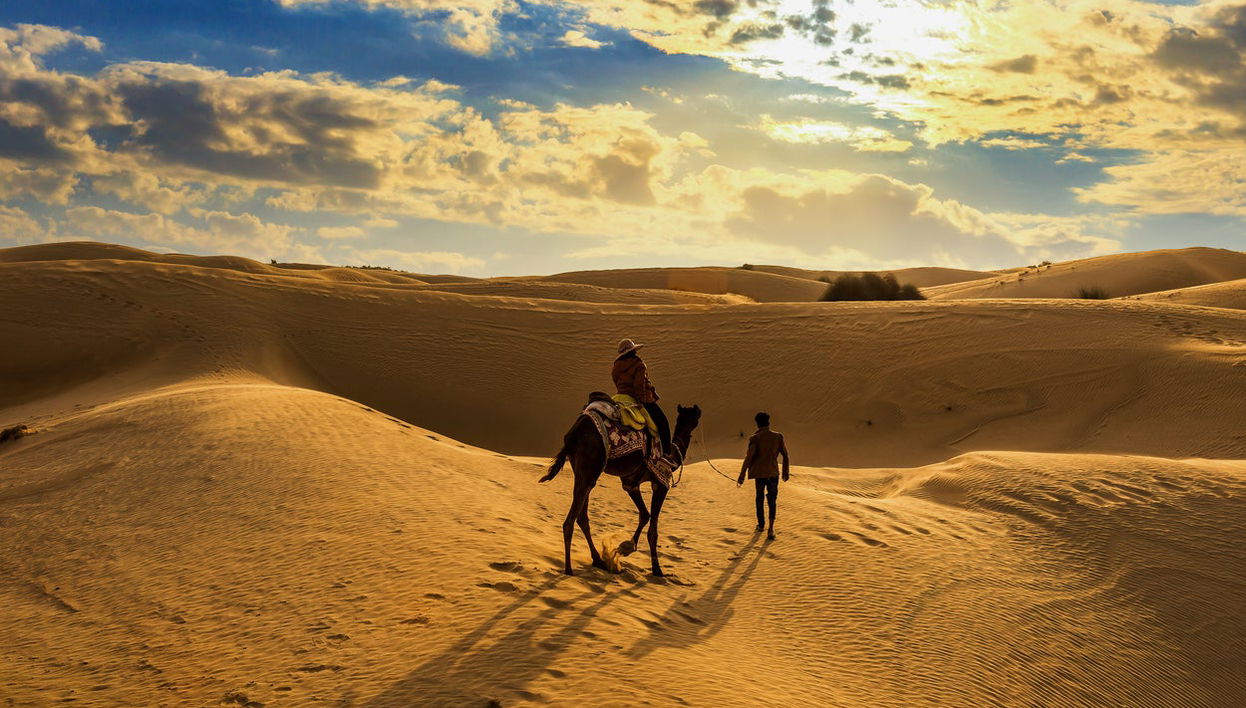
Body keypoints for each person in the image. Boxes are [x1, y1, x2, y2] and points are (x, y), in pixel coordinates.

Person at [611, 338, 671, 456]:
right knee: (663, 422)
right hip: (638, 398)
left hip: (620, 397)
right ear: (633, 351)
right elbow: (640, 385)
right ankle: (667, 455)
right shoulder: (638, 364)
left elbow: (616, 381)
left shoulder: (616, 366)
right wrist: (641, 402)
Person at [736, 411, 790, 540]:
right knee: (772, 500)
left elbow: (749, 458)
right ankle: (771, 529)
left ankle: (761, 525)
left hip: (759, 474)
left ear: (757, 423)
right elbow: (785, 455)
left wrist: (742, 475)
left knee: (759, 498)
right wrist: (785, 472)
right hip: (773, 473)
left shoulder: (754, 438)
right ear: (768, 422)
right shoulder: (778, 436)